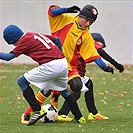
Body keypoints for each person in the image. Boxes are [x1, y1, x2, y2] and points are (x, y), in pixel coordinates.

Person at [20, 4, 114, 123]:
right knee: (49, 88)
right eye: (86, 20)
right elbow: (52, 13)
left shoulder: (85, 34)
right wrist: (67, 10)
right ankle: (27, 114)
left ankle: (59, 106)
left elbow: (93, 53)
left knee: (77, 86)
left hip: (68, 67)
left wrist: (104, 66)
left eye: (91, 22)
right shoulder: (64, 20)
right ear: (80, 15)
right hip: (52, 61)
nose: (88, 24)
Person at [0, 24, 86, 126]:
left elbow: (8, 57)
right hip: (63, 63)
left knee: (21, 81)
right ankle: (80, 117)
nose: (14, 46)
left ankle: (37, 111)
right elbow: (57, 39)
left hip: (51, 65)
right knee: (64, 92)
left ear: (13, 40)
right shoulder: (33, 34)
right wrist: (60, 54)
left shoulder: (23, 41)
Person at [52, 32, 124, 122]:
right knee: (76, 92)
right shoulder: (90, 42)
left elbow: (95, 55)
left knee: (88, 84)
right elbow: (100, 52)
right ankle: (62, 114)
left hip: (73, 71)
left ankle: (93, 113)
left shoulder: (81, 45)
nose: (101, 47)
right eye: (101, 45)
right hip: (74, 72)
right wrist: (116, 65)